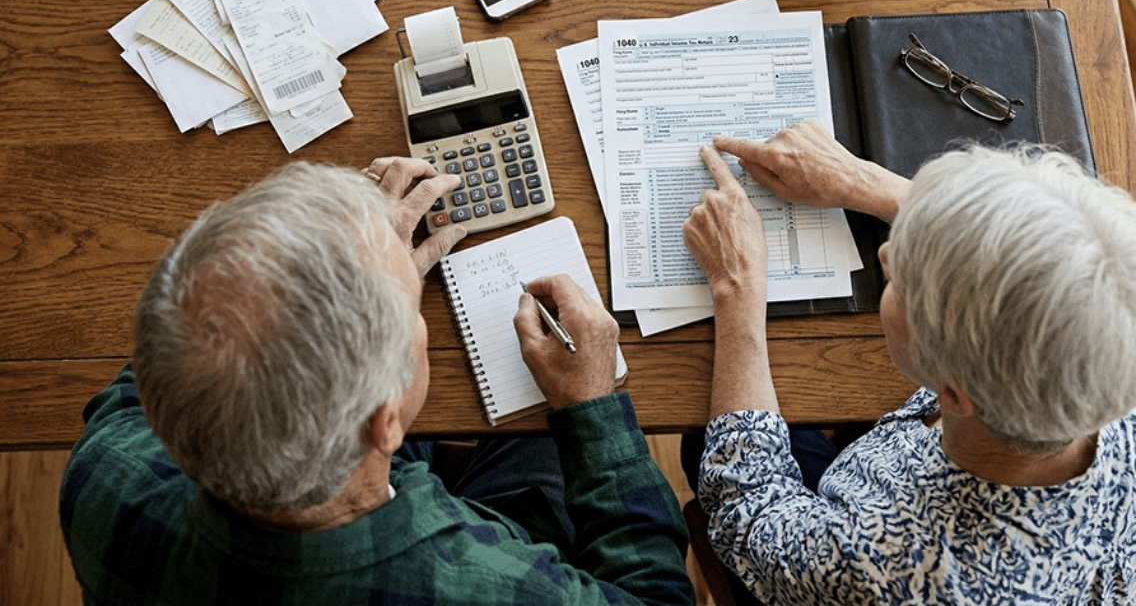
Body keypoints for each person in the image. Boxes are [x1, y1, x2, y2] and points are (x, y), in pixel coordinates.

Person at [59, 156, 693, 606]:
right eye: (411, 311)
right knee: (539, 449)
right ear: (387, 423)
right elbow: (656, 597)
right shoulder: (483, 585)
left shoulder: (102, 475)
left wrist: (350, 251)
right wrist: (591, 406)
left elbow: (175, 341)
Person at [681, 120, 1136, 605]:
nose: (887, 256)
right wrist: (863, 182)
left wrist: (736, 286)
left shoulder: (887, 566)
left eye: (901, 282)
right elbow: (1047, 273)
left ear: (952, 394)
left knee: (703, 440)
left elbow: (747, 509)